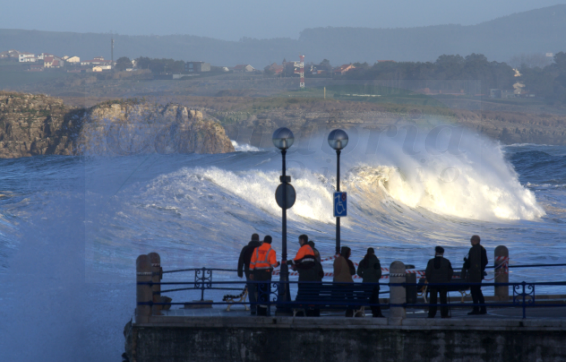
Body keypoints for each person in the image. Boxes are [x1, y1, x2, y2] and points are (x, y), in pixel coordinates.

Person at [285, 235, 318, 315]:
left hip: (304, 275)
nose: (299, 242)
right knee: (309, 292)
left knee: (301, 292)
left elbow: (296, 260)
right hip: (311, 275)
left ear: (302, 240)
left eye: (299, 240)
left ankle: (299, 310)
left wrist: (286, 262)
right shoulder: (310, 249)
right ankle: (309, 310)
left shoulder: (303, 248)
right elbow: (307, 261)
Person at [249, 235, 279, 316]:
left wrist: (251, 273)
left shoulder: (257, 249)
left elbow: (252, 262)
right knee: (265, 291)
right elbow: (273, 264)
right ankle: (263, 310)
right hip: (266, 274)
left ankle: (258, 309)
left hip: (257, 273)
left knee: (258, 290)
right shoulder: (271, 251)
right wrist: (278, 263)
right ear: (270, 242)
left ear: (264, 240)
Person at [425, 246, 454, 318]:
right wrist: (448, 280)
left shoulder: (431, 261)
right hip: (443, 283)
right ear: (443, 253)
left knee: (432, 299)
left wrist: (429, 280)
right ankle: (444, 314)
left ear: (436, 252)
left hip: (433, 283)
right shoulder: (446, 261)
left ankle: (431, 314)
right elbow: (450, 272)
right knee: (443, 299)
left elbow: (428, 272)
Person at [237, 233, 262, 315]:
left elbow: (241, 260)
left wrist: (240, 272)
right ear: (258, 239)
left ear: (251, 239)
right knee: (260, 290)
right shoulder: (261, 248)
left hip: (249, 272)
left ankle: (253, 308)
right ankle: (260, 307)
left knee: (251, 291)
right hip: (260, 272)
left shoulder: (246, 248)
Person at [357, 248, 384, 318]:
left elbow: (358, 272)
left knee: (369, 298)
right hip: (374, 283)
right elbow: (378, 273)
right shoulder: (376, 261)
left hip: (365, 283)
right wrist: (377, 277)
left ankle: (373, 312)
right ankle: (378, 313)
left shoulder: (363, 261)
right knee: (375, 299)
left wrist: (364, 276)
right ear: (373, 252)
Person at [464, 235, 488, 315]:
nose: (470, 241)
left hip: (474, 274)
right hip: (479, 273)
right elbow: (485, 261)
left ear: (475, 240)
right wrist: (481, 269)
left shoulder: (474, 249)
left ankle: (476, 309)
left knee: (474, 292)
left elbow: (471, 263)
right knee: (478, 291)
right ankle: (483, 308)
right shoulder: (482, 249)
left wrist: (466, 262)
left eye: (471, 240)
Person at [334, 246, 356, 316]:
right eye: (349, 252)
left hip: (337, 284)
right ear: (347, 253)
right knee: (350, 297)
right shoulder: (348, 262)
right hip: (347, 284)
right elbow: (353, 272)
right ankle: (350, 311)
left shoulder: (336, 260)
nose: (350, 254)